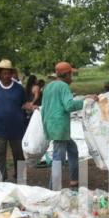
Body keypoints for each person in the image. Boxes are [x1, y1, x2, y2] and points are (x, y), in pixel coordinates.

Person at [41, 61, 97, 190]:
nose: (71, 77)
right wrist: (85, 100)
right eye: (71, 74)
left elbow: (44, 108)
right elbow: (69, 105)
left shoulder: (49, 86)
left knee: (72, 150)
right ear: (66, 75)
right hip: (60, 127)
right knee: (58, 159)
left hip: (51, 125)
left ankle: (74, 180)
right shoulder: (63, 86)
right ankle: (52, 190)